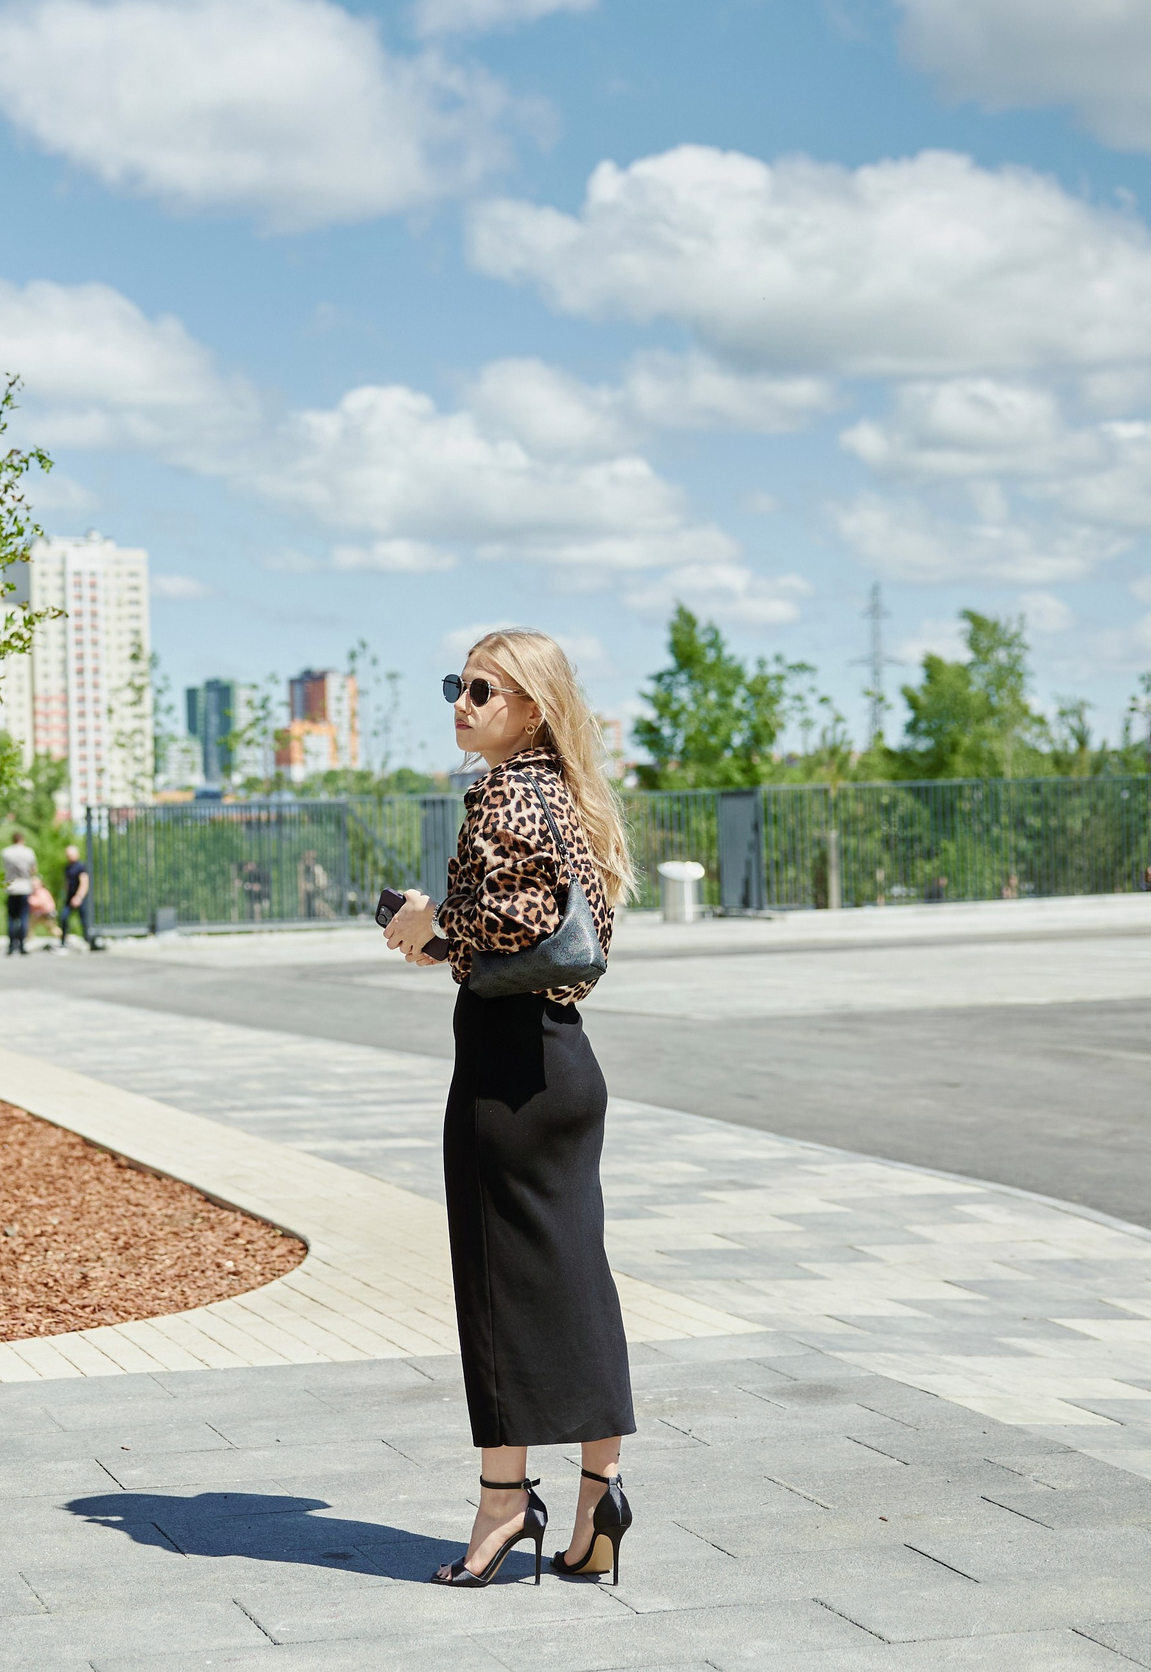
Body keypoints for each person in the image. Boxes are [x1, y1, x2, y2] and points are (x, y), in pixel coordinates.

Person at [383, 628, 637, 1590]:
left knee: (495, 1285)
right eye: (459, 683)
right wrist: (447, 939)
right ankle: (599, 1499)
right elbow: (570, 932)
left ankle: (503, 1501)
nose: (462, 701)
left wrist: (433, 922)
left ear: (532, 709)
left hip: (505, 1069)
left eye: (483, 689)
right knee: (577, 1280)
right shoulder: (568, 796)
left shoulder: (502, 792)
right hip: (563, 1060)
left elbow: (519, 920)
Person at [0, 828, 40, 956]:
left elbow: (5, 868)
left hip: (11, 886)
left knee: (11, 918)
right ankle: (22, 944)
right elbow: (33, 869)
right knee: (23, 917)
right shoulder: (28, 852)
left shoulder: (6, 852)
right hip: (24, 886)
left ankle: (12, 945)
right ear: (22, 840)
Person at [58, 844, 101, 951]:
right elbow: (67, 883)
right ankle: (63, 941)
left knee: (84, 920)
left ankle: (88, 941)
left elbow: (84, 882)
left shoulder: (81, 867)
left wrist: (79, 897)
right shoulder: (68, 867)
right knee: (63, 917)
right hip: (69, 897)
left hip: (80, 897)